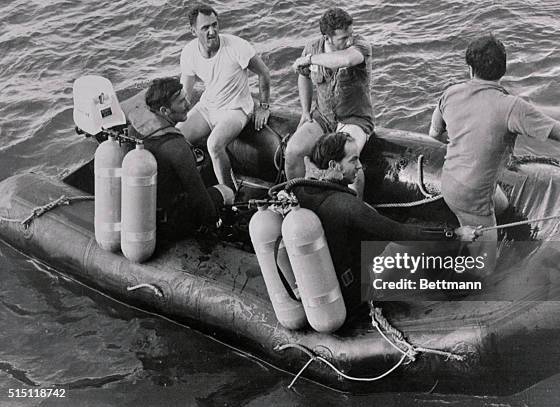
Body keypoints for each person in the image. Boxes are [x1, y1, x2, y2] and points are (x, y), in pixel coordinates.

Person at [428, 34, 560, 273]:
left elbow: (434, 134)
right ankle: (459, 273)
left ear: (470, 69)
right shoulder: (512, 107)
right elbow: (558, 131)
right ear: (504, 69)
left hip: (449, 181)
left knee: (502, 205)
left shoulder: (450, 93)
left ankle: (493, 233)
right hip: (471, 198)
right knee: (485, 267)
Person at [292, 132, 479, 314]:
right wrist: (455, 234)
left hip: (330, 285)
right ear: (334, 165)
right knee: (421, 248)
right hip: (354, 298)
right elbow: (403, 234)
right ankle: (459, 292)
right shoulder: (347, 206)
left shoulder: (300, 192)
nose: (359, 166)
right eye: (353, 160)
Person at [177, 5, 272, 189]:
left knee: (214, 145)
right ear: (193, 31)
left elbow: (264, 73)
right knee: (177, 137)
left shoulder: (237, 46)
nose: (212, 31)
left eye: (214, 25)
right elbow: (185, 93)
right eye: (205, 28)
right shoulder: (189, 52)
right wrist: (170, 119)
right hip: (208, 106)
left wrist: (264, 106)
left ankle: (229, 196)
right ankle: (191, 189)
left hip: (236, 109)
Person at [285, 7, 374, 198]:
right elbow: (304, 76)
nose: (349, 40)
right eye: (343, 38)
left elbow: (347, 60)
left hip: (354, 119)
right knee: (293, 151)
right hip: (323, 117)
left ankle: (355, 213)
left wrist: (308, 59)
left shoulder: (360, 45)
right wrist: (305, 111)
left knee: (350, 164)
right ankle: (299, 202)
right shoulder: (313, 47)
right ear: (327, 37)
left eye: (350, 34)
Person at [128, 77, 226, 239]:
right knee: (225, 192)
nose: (188, 104)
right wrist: (215, 221)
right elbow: (200, 200)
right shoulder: (177, 147)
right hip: (170, 223)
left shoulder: (135, 129)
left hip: (144, 214)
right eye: (181, 101)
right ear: (165, 111)